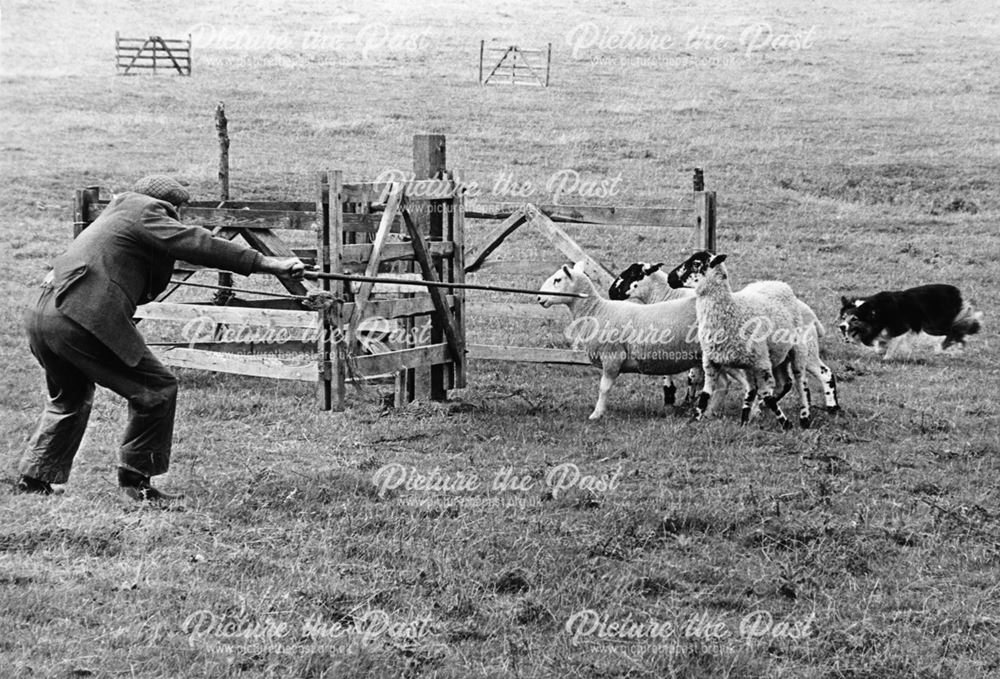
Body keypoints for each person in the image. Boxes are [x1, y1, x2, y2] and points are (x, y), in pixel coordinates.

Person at [16, 175, 306, 502]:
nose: (179, 219)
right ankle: (135, 482)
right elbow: (197, 242)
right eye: (180, 211)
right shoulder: (148, 210)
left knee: (70, 395)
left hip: (43, 314)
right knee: (156, 389)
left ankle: (35, 478)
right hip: (80, 315)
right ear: (173, 205)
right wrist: (270, 263)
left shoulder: (116, 215)